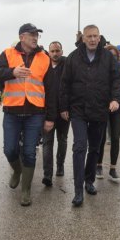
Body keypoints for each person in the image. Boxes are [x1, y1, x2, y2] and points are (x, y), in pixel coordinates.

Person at [0, 23, 56, 206]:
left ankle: (26, 190)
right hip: (12, 111)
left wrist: (50, 117)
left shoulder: (44, 58)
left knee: (29, 152)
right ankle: (17, 171)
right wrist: (12, 72)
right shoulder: (8, 53)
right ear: (22, 37)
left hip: (35, 113)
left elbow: (51, 89)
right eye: (32, 34)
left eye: (37, 35)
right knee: (9, 149)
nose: (35, 38)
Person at [59, 25, 120, 207]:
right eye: (89, 36)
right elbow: (64, 84)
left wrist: (116, 99)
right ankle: (78, 189)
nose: (93, 39)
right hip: (78, 109)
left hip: (100, 109)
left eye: (95, 36)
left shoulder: (108, 58)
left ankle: (89, 181)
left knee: (95, 148)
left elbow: (118, 79)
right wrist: (64, 106)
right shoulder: (73, 57)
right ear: (83, 38)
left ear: (99, 37)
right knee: (80, 146)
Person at [95, 44, 120, 182]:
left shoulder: (119, 70)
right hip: (102, 107)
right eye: (110, 55)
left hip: (116, 108)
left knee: (115, 138)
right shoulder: (99, 69)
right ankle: (98, 165)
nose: (113, 58)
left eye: (115, 56)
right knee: (100, 138)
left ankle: (113, 168)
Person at [41, 41, 69, 186]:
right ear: (49, 52)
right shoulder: (44, 66)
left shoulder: (67, 65)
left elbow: (69, 89)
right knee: (47, 143)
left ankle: (60, 165)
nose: (55, 53)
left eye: (57, 51)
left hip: (63, 112)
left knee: (62, 140)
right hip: (47, 112)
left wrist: (66, 108)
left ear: (62, 51)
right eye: (52, 51)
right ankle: (47, 174)